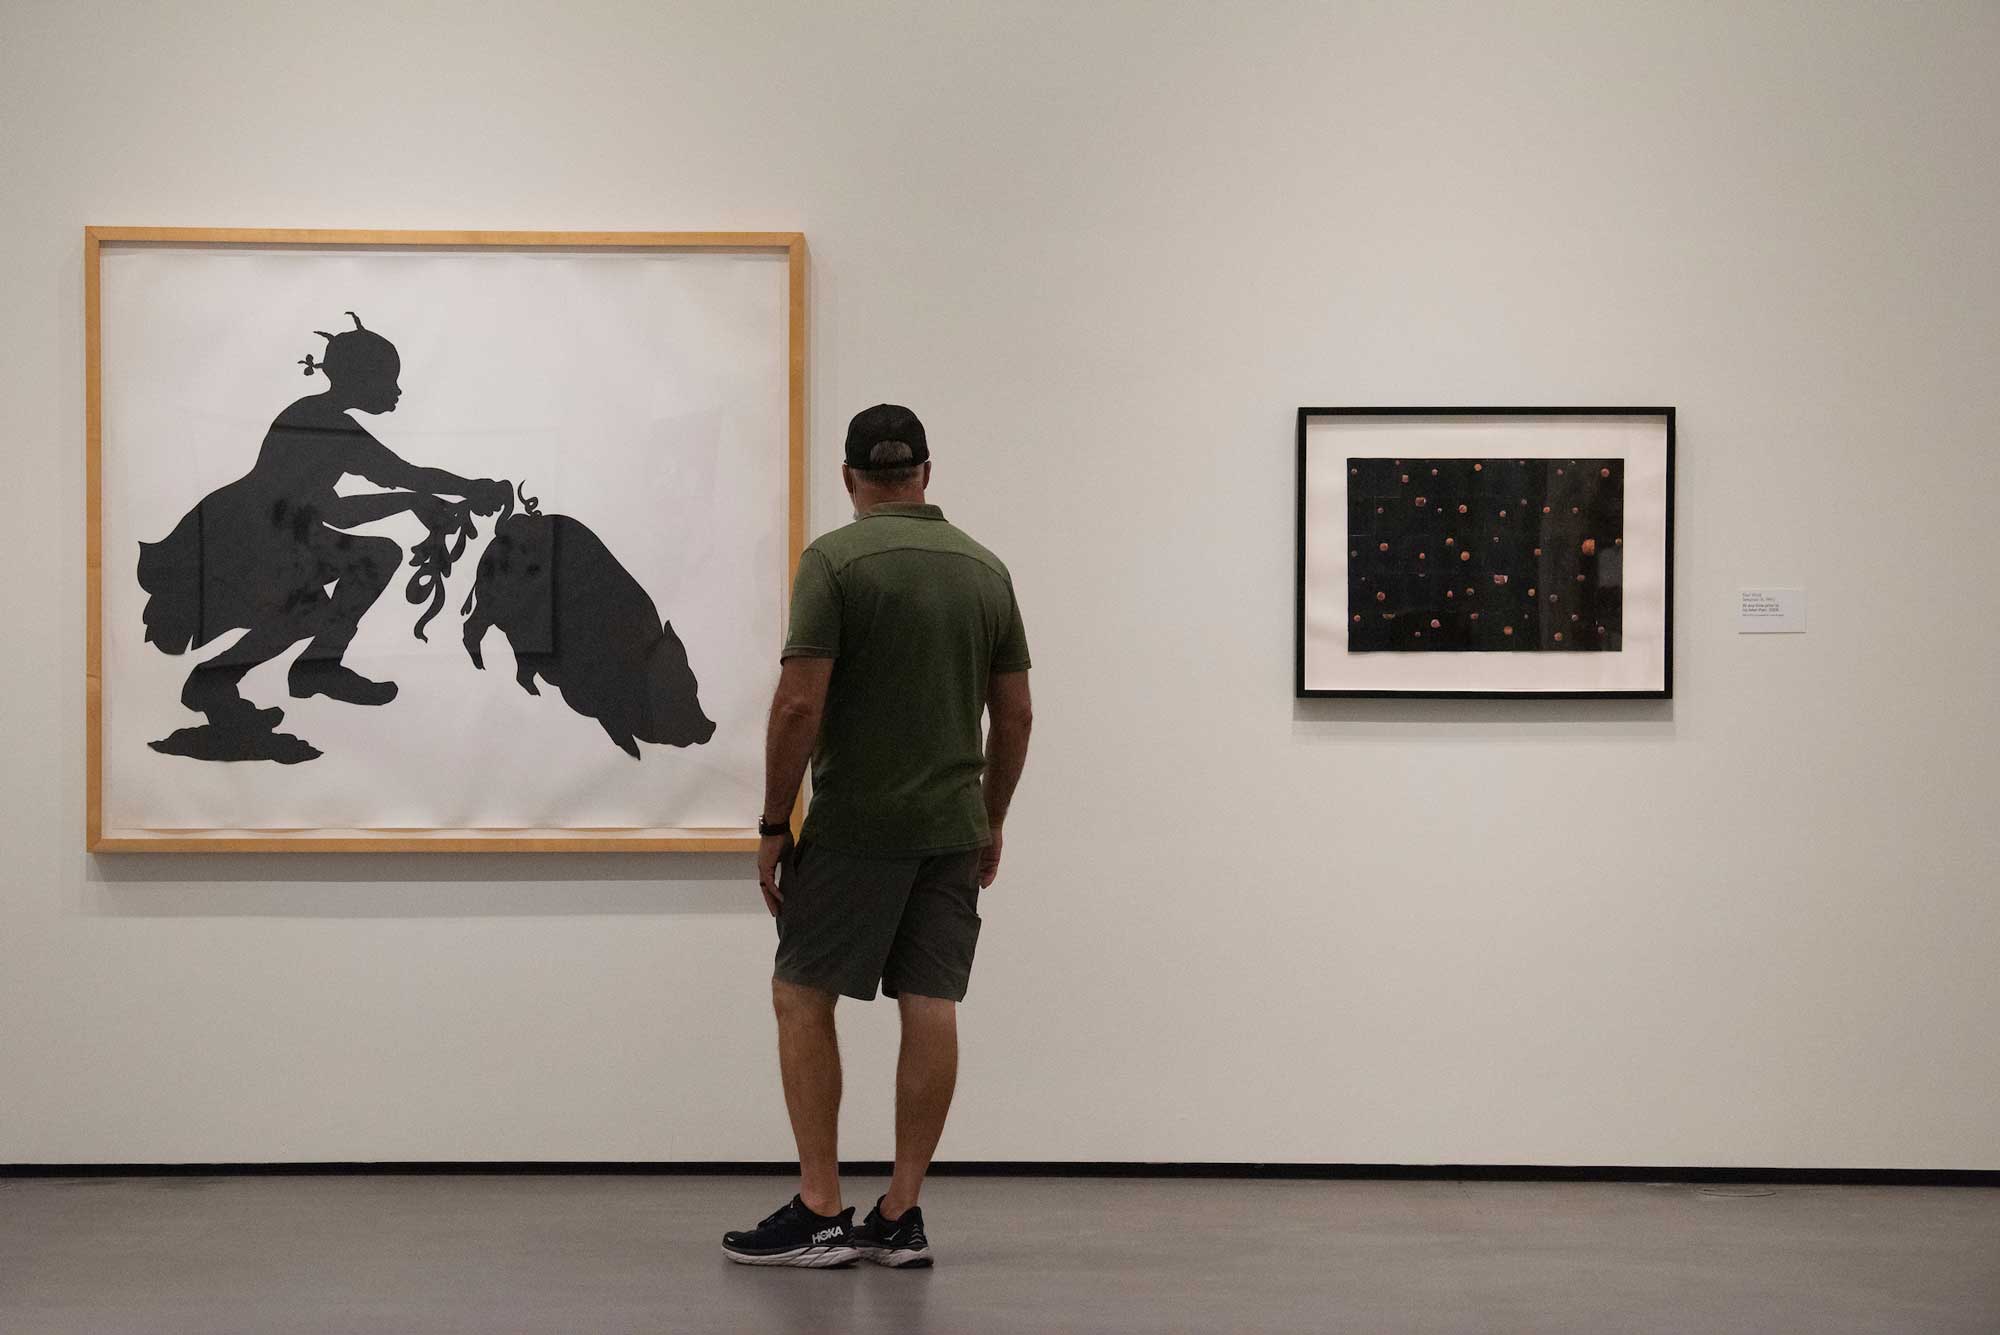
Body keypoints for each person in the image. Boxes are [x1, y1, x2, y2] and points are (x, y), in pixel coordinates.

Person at [723, 404, 1033, 1269]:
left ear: (852, 478)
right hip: (949, 827)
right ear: (927, 474)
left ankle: (822, 1208)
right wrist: (992, 817)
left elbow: (796, 703)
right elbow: (1015, 715)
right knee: (931, 1003)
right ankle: (900, 1212)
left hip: (858, 823)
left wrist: (774, 821)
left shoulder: (834, 560)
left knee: (801, 994)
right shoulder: (985, 569)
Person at [136, 313, 511, 758]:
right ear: (360, 378)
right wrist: (460, 490)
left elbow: (339, 508)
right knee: (317, 604)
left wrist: (422, 500)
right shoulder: (320, 421)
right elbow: (394, 479)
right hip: (255, 536)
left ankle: (253, 677)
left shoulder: (323, 420)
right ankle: (242, 679)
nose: (396, 390)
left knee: (370, 563)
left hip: (282, 532)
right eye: (387, 379)